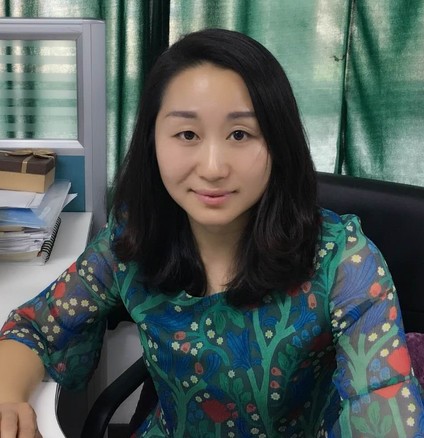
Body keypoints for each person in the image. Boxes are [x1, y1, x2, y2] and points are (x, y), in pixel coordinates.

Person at [0, 28, 423, 438]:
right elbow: (35, 328)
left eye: (240, 134)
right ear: (153, 141)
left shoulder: (341, 259)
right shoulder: (135, 238)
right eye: (187, 134)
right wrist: (6, 400)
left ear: (278, 143)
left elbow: (382, 409)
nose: (213, 167)